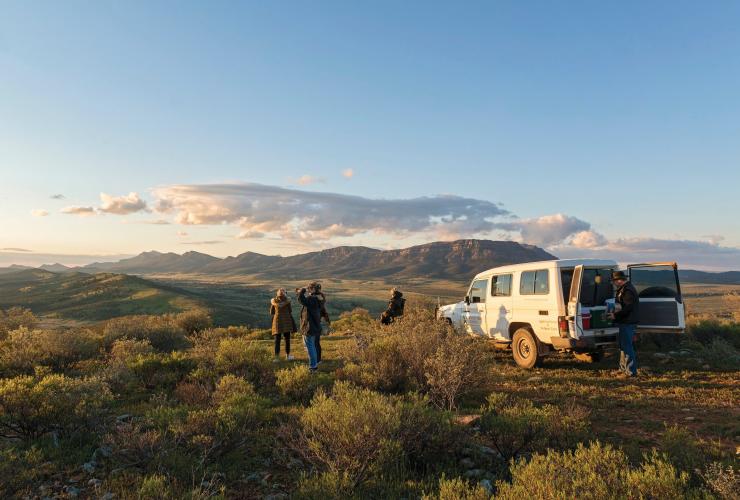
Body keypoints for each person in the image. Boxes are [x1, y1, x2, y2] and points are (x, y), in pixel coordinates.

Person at [608, 271, 640, 377]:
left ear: (619, 280)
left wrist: (615, 316)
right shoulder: (625, 289)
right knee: (623, 346)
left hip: (627, 321)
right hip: (625, 321)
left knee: (627, 347)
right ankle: (622, 369)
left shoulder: (627, 291)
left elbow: (628, 308)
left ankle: (631, 372)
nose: (614, 283)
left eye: (615, 281)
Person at [297, 282, 324, 372]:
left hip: (309, 327)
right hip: (315, 326)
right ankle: (315, 363)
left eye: (309, 288)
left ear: (313, 289)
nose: (307, 289)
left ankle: (313, 367)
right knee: (312, 346)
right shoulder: (319, 298)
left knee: (310, 347)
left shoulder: (312, 299)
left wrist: (302, 291)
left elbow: (301, 300)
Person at [269, 288, 296, 362]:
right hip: (286, 321)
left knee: (277, 340)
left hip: (277, 321)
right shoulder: (287, 300)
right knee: (287, 339)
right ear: (284, 293)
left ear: (277, 294)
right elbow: (290, 310)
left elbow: (271, 312)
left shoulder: (274, 300)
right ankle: (287, 356)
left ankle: (277, 358)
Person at [313, 284, 331, 364]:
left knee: (314, 342)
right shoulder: (321, 298)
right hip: (318, 321)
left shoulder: (314, 297)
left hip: (314, 321)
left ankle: (316, 359)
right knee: (316, 342)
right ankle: (318, 359)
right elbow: (323, 309)